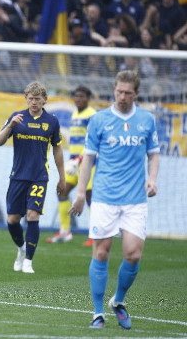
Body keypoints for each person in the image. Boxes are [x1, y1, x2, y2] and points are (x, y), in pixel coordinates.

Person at [69, 70, 159, 330]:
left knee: (133, 254)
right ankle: (98, 313)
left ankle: (118, 301)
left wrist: (152, 179)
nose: (122, 96)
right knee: (101, 251)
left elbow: (153, 154)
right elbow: (88, 158)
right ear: (114, 90)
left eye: (128, 93)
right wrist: (80, 193)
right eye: (119, 91)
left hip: (135, 199)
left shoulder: (146, 120)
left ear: (136, 94)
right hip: (105, 197)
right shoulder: (99, 120)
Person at [0, 81, 65, 274]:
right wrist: (11, 125)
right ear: (26, 98)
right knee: (12, 220)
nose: (34, 102)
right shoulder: (17, 117)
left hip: (39, 177)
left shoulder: (52, 121)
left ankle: (28, 262)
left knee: (33, 215)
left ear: (45, 99)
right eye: (31, 98)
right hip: (18, 176)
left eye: (37, 98)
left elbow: (57, 149)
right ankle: (21, 249)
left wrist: (62, 177)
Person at [47, 85, 96, 246]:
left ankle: (96, 234)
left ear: (88, 99)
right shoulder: (75, 114)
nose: (78, 99)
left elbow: (93, 140)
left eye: (82, 96)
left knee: (89, 196)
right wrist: (72, 159)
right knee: (62, 190)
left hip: (88, 163)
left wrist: (80, 158)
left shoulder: (92, 115)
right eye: (76, 96)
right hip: (74, 162)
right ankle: (65, 231)